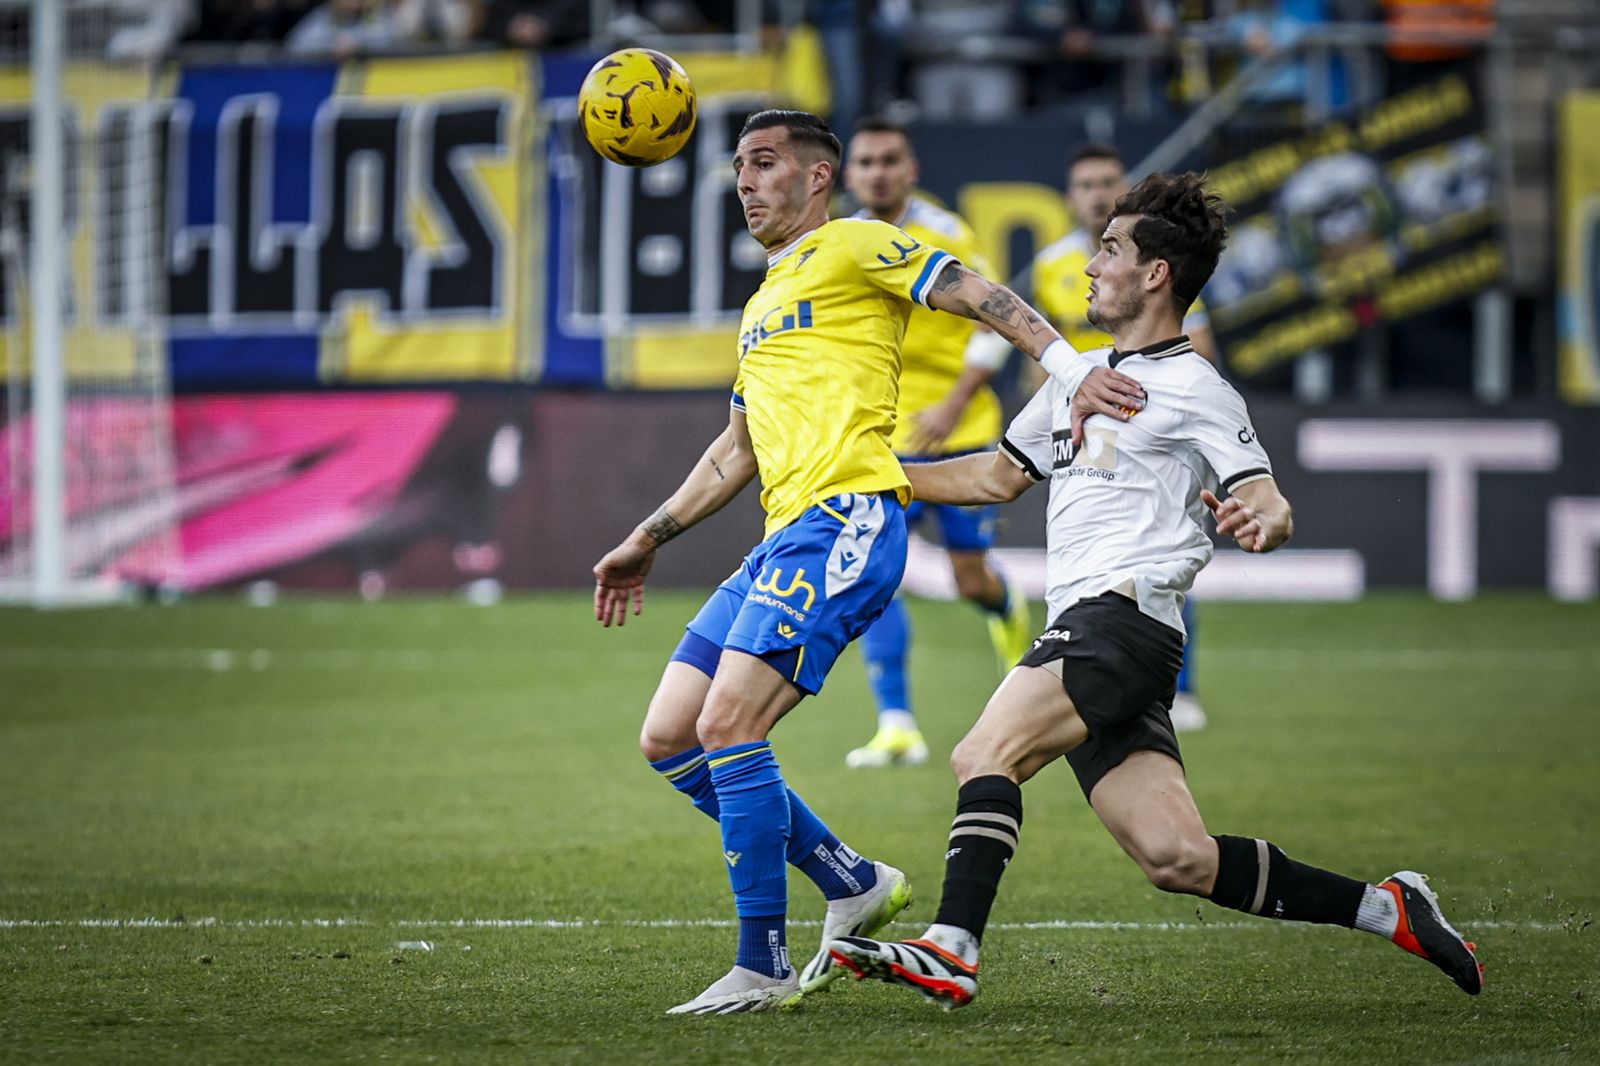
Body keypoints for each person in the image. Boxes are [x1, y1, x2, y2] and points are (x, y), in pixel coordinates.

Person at [828, 172, 1484, 1008]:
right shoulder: (1080, 378)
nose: (1091, 267)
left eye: (1109, 250)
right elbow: (994, 477)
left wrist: (1263, 523)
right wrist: (870, 475)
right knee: (1179, 858)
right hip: (1103, 635)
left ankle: (953, 947)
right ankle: (1387, 907)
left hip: (1122, 621)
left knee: (981, 754)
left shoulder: (1196, 388)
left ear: (1155, 275)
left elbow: (1268, 500)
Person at [591, 109, 1147, 1015]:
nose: (745, 181)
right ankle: (849, 879)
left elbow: (977, 292)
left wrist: (1069, 366)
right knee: (669, 737)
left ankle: (762, 966)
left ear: (818, 178)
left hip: (844, 518)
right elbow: (737, 450)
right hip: (780, 534)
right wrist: (645, 540)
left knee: (731, 725)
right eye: (738, 166)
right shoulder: (764, 302)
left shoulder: (855, 242)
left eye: (765, 163)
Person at [840, 116, 1032, 770]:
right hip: (884, 439)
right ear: (848, 175)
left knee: (967, 576)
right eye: (865, 162)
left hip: (963, 432)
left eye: (889, 160)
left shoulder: (948, 235)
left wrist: (953, 403)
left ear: (911, 169)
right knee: (874, 574)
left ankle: (1006, 612)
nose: (878, 172)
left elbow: (991, 318)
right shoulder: (842, 241)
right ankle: (896, 724)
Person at [1030, 142, 1217, 731]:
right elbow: (1050, 358)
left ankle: (1178, 685)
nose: (1097, 193)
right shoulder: (1054, 266)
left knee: (1157, 550)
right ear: (1069, 197)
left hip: (1142, 423)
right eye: (1085, 183)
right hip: (1086, 426)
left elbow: (1195, 354)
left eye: (1108, 180)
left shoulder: (1160, 266)